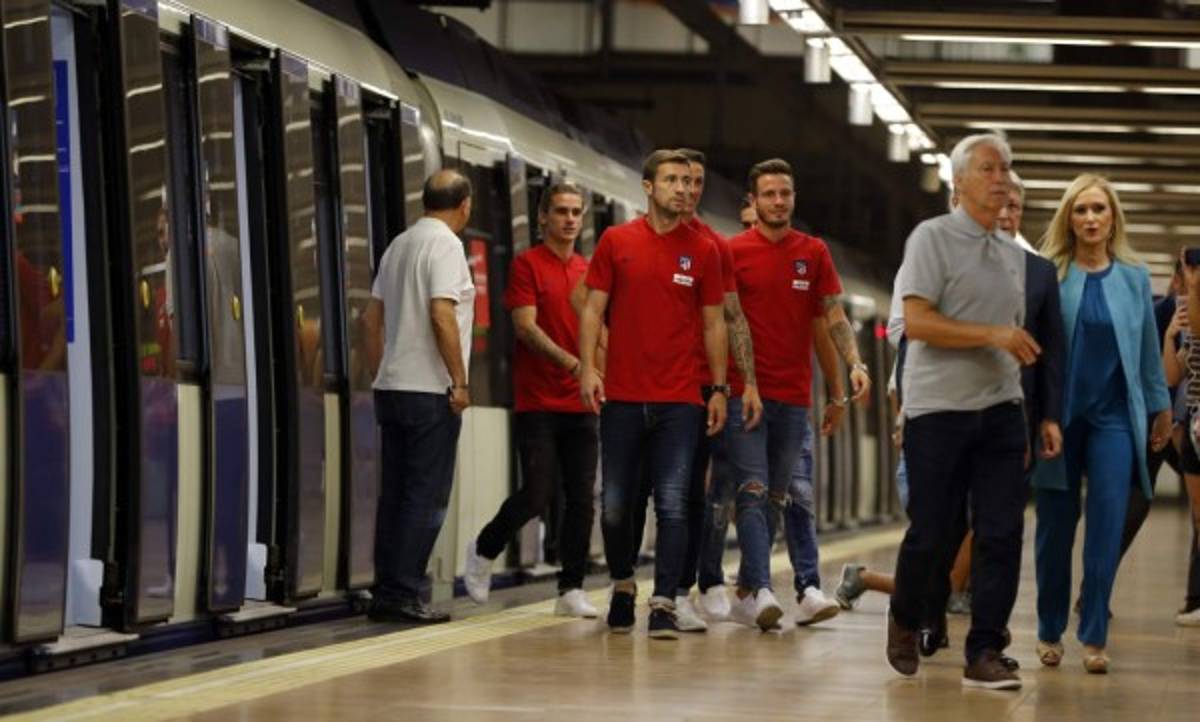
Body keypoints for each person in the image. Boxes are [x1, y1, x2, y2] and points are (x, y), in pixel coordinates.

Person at [885, 133, 1040, 690]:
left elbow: (1014, 339)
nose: (1001, 178)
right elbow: (918, 323)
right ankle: (905, 615)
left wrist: (1022, 413)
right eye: (989, 169)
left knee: (1001, 533)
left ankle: (984, 650)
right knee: (933, 533)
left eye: (1006, 168)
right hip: (938, 412)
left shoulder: (1011, 256)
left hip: (1000, 412)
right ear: (960, 182)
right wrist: (993, 334)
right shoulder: (931, 239)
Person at [578, 149, 728, 640]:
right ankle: (624, 583)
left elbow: (713, 323)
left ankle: (664, 600)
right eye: (672, 180)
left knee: (673, 504)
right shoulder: (617, 241)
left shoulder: (702, 250)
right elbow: (592, 310)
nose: (683, 188)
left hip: (680, 401)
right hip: (622, 396)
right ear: (648, 187)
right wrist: (587, 368)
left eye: (688, 181)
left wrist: (720, 388)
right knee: (616, 504)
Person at [1032, 173, 1171, 674]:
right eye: (1081, 210)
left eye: (1098, 209)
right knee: (1055, 528)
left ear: (1113, 218)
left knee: (1107, 525)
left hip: (1114, 417)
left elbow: (1147, 353)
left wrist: (1160, 405)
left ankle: (1093, 634)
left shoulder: (1135, 277)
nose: (1090, 218)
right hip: (1059, 419)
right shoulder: (1049, 272)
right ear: (1068, 219)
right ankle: (1049, 629)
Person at [722, 158, 870, 630]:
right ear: (754, 200)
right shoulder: (731, 253)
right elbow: (725, 323)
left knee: (779, 498)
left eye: (786, 193)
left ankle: (751, 590)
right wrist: (741, 385)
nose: (779, 201)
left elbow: (833, 317)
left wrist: (853, 367)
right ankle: (764, 589)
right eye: (770, 194)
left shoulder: (813, 253)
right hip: (747, 397)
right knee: (751, 490)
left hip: (793, 399)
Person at [626, 148, 762, 631]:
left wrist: (739, 384)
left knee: (686, 496)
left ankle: (679, 591)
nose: (688, 189)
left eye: (696, 182)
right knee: (638, 492)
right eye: (682, 180)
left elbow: (730, 317)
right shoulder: (634, 240)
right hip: (647, 386)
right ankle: (637, 584)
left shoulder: (711, 246)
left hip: (701, 387)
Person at [462, 182, 599, 618]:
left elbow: (600, 333)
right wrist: (574, 365)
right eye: (561, 211)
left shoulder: (589, 270)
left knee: (581, 498)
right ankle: (484, 548)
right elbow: (525, 327)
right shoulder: (527, 266)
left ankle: (571, 589)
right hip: (538, 403)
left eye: (576, 212)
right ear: (542, 218)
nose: (570, 219)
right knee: (537, 494)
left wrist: (602, 374)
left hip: (582, 403)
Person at [364, 169, 475, 624]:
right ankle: (403, 593)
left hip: (392, 387)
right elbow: (441, 313)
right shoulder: (447, 245)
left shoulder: (399, 244)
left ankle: (386, 589)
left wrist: (382, 371)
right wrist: (461, 381)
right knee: (424, 496)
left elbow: (371, 320)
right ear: (464, 204)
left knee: (394, 494)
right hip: (430, 392)